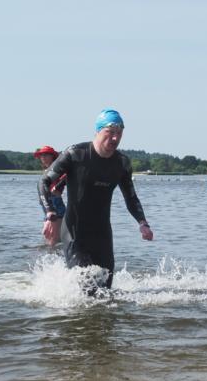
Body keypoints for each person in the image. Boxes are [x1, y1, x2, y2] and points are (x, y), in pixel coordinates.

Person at [40, 110, 153, 289]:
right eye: (110, 132)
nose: (115, 138)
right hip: (74, 232)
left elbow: (131, 196)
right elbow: (44, 182)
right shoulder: (76, 154)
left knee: (105, 291)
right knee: (87, 286)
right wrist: (50, 214)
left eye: (119, 133)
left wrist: (142, 223)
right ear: (98, 131)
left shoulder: (122, 163)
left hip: (102, 235)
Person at [34, 145, 66, 246]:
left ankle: (55, 258)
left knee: (52, 239)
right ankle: (53, 257)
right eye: (41, 156)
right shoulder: (47, 170)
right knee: (49, 237)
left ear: (52, 156)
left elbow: (67, 176)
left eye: (46, 155)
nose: (43, 157)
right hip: (47, 205)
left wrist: (58, 187)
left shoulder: (57, 170)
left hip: (55, 203)